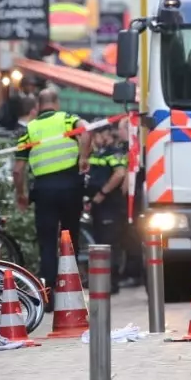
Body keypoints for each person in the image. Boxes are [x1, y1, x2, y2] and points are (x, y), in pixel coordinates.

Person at [13, 88, 92, 294]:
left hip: (44, 190)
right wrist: (84, 157)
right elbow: (85, 131)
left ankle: (48, 292)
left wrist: (21, 194)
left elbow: (18, 170)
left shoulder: (29, 130)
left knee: (47, 242)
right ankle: (70, 288)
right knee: (70, 237)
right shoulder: (67, 120)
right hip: (70, 187)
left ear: (38, 106)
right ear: (56, 103)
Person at [86, 127, 129, 295]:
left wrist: (102, 193)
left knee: (110, 244)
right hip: (98, 205)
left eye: (95, 135)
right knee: (99, 242)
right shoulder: (97, 154)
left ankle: (112, 282)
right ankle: (102, 281)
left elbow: (119, 174)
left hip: (111, 204)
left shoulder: (113, 153)